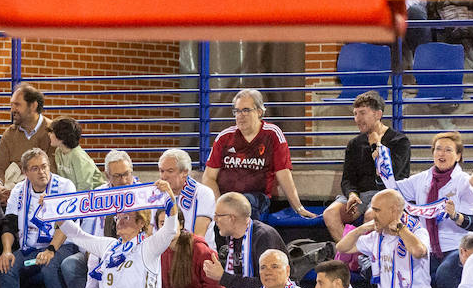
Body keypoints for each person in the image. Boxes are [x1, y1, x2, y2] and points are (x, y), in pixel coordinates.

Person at [62, 181, 180, 288]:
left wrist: (170, 195)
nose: (120, 221)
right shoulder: (108, 246)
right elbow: (77, 235)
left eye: (127, 217)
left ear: (141, 222)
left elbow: (170, 229)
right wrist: (53, 212)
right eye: (118, 218)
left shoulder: (149, 247)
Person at [382, 130, 473, 288]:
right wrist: (382, 167)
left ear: (459, 156)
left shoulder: (465, 182)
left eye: (448, 150)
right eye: (438, 149)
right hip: (429, 248)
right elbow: (394, 190)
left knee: (444, 274)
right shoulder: (422, 179)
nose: (441, 154)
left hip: (458, 247)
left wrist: (455, 216)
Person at [334, 189, 432, 288]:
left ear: (394, 210)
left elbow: (418, 251)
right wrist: (360, 229)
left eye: (377, 210)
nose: (372, 213)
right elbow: (342, 247)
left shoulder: (417, 231)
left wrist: (401, 229)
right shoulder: (376, 237)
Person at [202, 89, 315, 219]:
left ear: (259, 112)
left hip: (257, 198)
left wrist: (298, 207)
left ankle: (246, 238)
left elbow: (283, 173)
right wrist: (218, 206)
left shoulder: (272, 134)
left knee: (243, 205)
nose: (240, 115)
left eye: (246, 110)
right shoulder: (224, 137)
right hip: (226, 198)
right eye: (237, 111)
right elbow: (208, 177)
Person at [199, 191, 287, 288]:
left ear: (232, 218)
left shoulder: (264, 237)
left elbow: (268, 285)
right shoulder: (232, 237)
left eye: (218, 215)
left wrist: (223, 277)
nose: (215, 219)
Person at [322, 92, 411, 242]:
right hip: (361, 195)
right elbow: (347, 179)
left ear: (378, 114)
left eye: (362, 113)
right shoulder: (354, 144)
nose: (357, 119)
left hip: (386, 193)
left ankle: (368, 258)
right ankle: (352, 256)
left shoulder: (399, 141)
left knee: (372, 215)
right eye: (355, 114)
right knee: (330, 213)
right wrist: (352, 194)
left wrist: (375, 146)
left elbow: (393, 174)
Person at [0, 147, 78, 288]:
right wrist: (6, 251)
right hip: (30, 249)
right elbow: (9, 224)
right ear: (25, 172)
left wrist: (50, 250)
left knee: (49, 266)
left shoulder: (65, 186)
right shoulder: (19, 190)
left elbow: (67, 224)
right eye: (35, 168)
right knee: (6, 265)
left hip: (61, 246)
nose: (42, 172)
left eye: (44, 166)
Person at [62, 151, 139, 288]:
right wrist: (91, 252)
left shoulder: (144, 194)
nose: (124, 180)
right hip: (99, 250)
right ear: (107, 175)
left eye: (127, 174)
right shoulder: (96, 197)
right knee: (70, 265)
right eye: (117, 176)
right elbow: (84, 236)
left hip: (134, 254)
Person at [0, 83, 55, 202]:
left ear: (33, 106)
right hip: (10, 194)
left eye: (17, 105)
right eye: (11, 105)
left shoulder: (53, 131)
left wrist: (21, 189)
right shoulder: (9, 134)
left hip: (41, 195)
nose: (12, 110)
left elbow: (52, 170)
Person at [156, 148, 213, 238]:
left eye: (170, 171)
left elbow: (199, 237)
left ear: (185, 172)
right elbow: (151, 232)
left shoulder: (204, 193)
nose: (164, 176)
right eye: (162, 171)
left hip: (196, 250)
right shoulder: (156, 194)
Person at [48, 118, 104, 192]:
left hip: (95, 194)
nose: (49, 134)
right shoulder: (58, 152)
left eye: (52, 132)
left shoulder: (78, 156)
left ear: (61, 136)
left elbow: (85, 187)